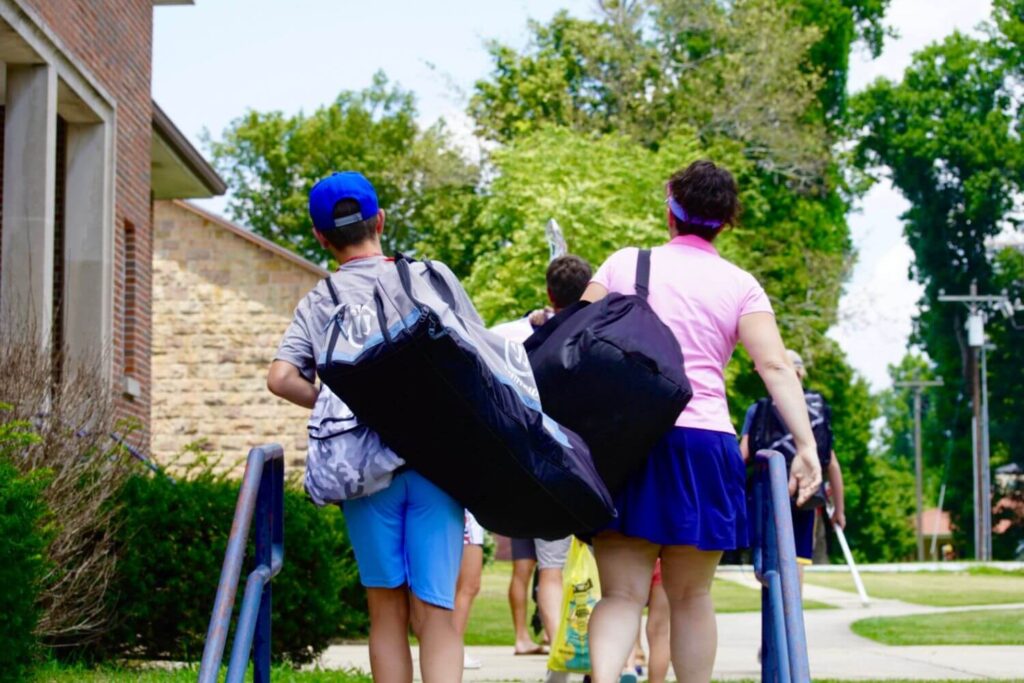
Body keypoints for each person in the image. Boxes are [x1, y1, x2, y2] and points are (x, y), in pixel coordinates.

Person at [581, 160, 822, 683]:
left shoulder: (625, 265)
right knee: (691, 596)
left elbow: (575, 340)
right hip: (704, 444)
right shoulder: (741, 285)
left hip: (629, 443)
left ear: (670, 209)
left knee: (621, 594)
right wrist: (806, 447)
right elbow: (776, 366)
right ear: (727, 220)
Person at [268, 171, 472, 683]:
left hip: (362, 473)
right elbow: (478, 356)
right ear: (380, 221)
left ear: (320, 237)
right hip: (438, 462)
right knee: (438, 612)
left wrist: (333, 402)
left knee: (385, 610)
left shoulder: (320, 301)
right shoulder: (431, 276)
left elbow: (280, 377)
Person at [500, 255, 594, 658]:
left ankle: (564, 650)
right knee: (607, 571)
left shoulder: (525, 343)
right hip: (594, 468)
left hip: (545, 468)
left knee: (551, 571)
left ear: (548, 292)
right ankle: (618, 654)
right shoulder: (599, 336)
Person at [739, 349, 846, 580]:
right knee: (797, 558)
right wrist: (839, 509)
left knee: (767, 558)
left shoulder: (758, 409)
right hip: (805, 493)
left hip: (767, 492)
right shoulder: (813, 410)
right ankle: (792, 613)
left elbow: (743, 454)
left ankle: (775, 607)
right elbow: (832, 463)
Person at [455, 511, 486, 670]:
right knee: (468, 586)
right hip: (466, 512)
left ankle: (451, 649)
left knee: (465, 587)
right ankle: (454, 650)